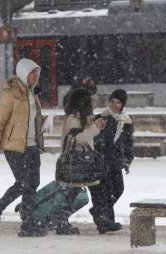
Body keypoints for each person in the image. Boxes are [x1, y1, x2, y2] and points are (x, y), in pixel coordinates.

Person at [0, 58, 48, 237]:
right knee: (23, 183)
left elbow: (31, 120)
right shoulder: (11, 93)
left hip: (31, 147)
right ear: (23, 73)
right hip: (14, 147)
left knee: (32, 184)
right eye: (31, 73)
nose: (35, 76)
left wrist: (43, 124)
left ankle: (27, 225)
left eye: (36, 73)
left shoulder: (33, 93)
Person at [56, 88, 106, 235]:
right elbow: (76, 139)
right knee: (74, 192)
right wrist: (94, 128)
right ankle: (62, 221)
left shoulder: (83, 116)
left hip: (84, 162)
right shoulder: (73, 118)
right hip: (77, 162)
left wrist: (95, 126)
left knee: (95, 191)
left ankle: (102, 221)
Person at [91, 88, 134, 233]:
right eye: (112, 101)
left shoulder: (126, 121)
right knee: (104, 192)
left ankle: (99, 213)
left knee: (117, 189)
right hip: (101, 161)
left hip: (115, 162)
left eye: (118, 102)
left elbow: (128, 143)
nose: (114, 105)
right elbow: (95, 140)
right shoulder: (101, 118)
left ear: (123, 105)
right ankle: (104, 222)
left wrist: (127, 160)